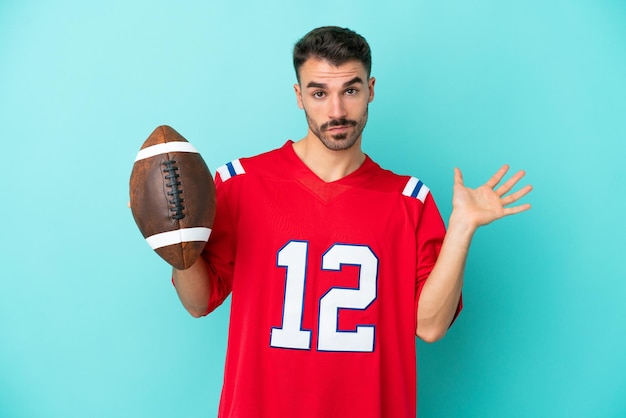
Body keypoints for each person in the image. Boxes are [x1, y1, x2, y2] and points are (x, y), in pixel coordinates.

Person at [172, 26, 531, 418]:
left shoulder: (408, 201)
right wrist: (172, 239)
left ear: (371, 90)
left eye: (351, 90)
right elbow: (197, 302)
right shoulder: (240, 183)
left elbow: (430, 326)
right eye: (319, 93)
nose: (337, 111)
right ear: (299, 96)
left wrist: (462, 226)